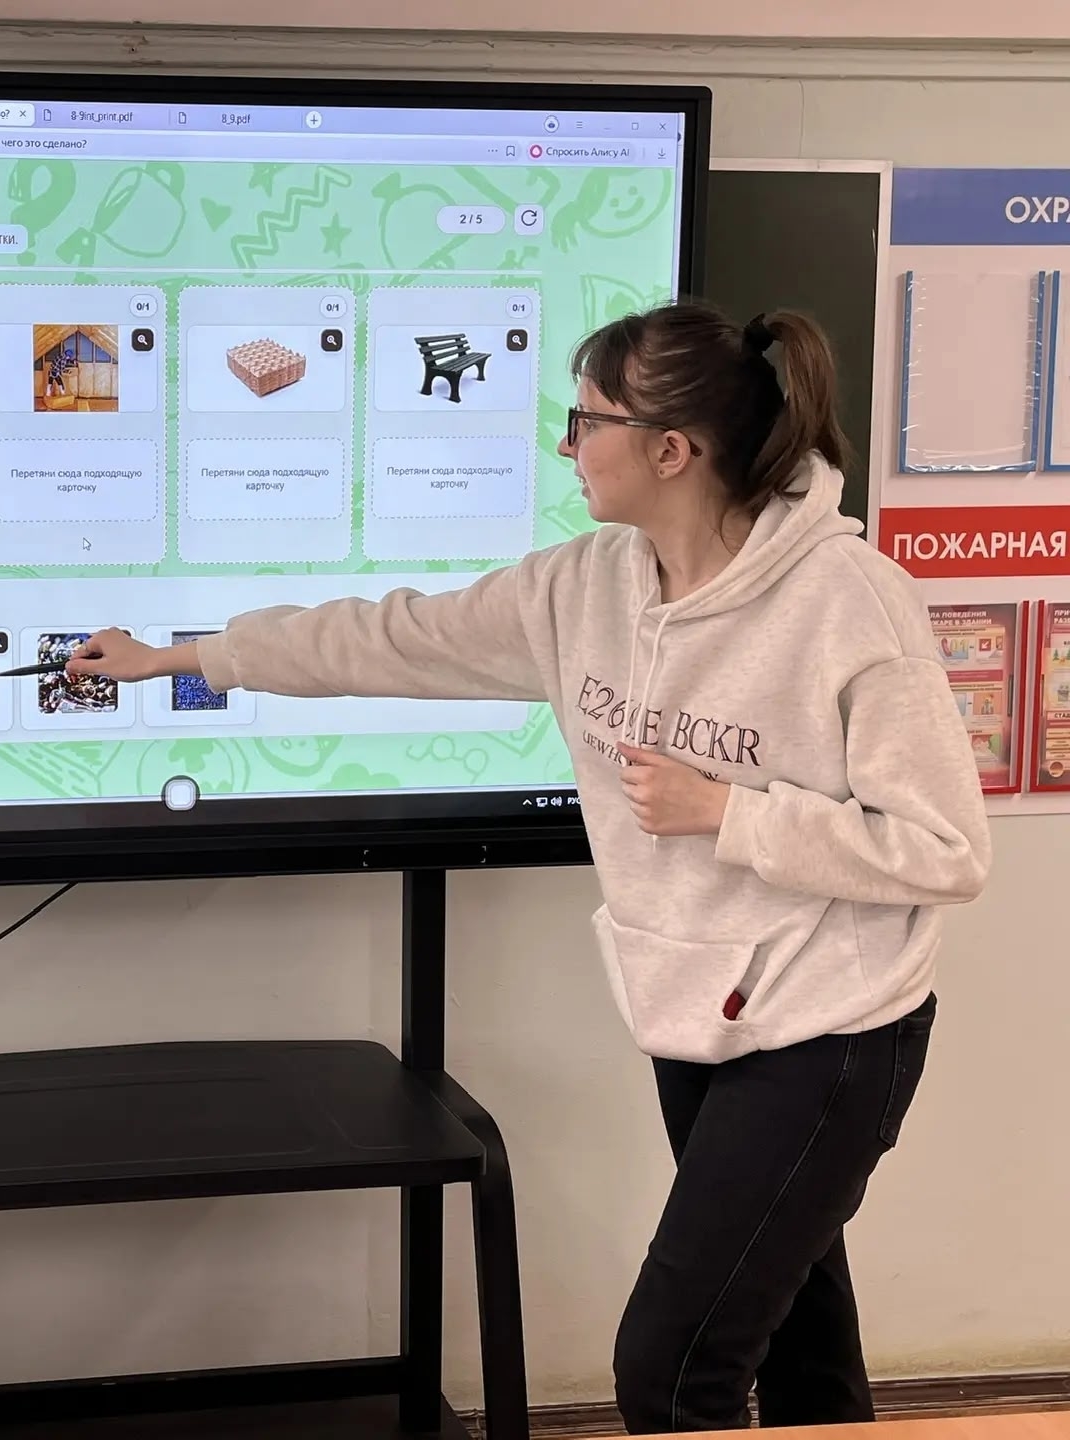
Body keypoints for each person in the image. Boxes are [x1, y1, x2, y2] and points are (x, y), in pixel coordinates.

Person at [68, 301, 991, 1433]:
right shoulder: (584, 588)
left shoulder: (850, 605)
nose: (566, 444)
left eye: (586, 420)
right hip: (697, 1009)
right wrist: (184, 656)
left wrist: (731, 813)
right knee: (798, 1337)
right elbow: (389, 636)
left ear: (671, 450)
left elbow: (946, 850)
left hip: (834, 1031)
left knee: (672, 1366)